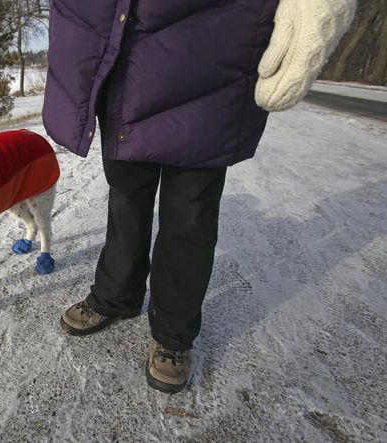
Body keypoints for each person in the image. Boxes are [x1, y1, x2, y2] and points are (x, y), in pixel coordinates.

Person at [42, 0, 356, 393]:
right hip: (119, 45)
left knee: (190, 212)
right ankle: (115, 295)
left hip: (213, 46)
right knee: (125, 196)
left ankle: (174, 333)